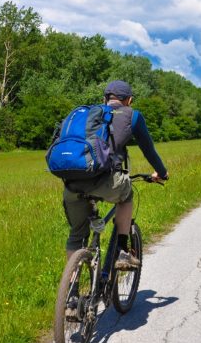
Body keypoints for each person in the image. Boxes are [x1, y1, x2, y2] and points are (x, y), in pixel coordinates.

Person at [62, 80, 169, 270]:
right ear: (129, 100)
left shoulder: (86, 114)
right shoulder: (132, 115)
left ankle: (71, 292)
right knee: (126, 195)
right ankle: (122, 251)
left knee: (77, 236)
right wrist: (161, 173)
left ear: (104, 98)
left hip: (72, 181)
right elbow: (149, 150)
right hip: (107, 181)